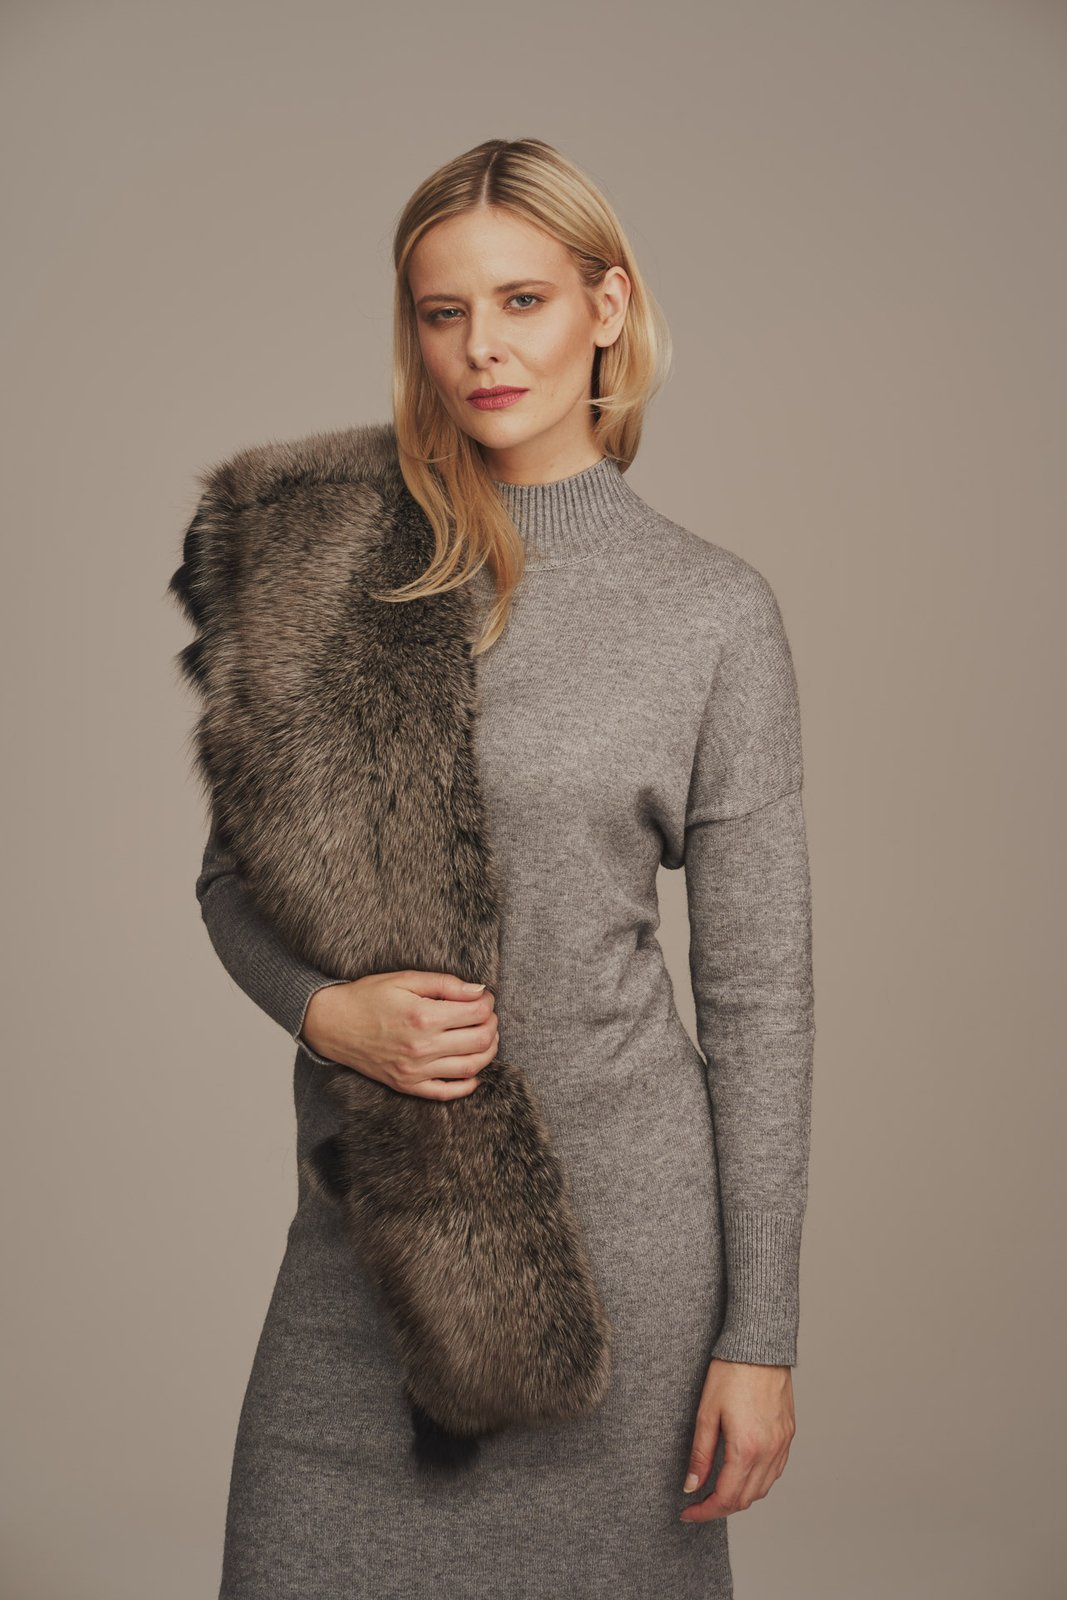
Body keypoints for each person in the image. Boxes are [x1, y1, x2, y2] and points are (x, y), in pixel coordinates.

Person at [183, 136, 815, 1600]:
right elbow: (228, 884)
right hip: (376, 1240)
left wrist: (761, 1336)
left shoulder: (712, 615)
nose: (483, 347)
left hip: (620, 1264)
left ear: (607, 306)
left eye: (523, 301)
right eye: (443, 311)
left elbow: (761, 1001)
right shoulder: (327, 562)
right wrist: (327, 1014)